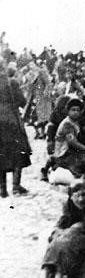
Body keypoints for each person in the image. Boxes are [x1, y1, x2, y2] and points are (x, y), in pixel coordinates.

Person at [40, 180, 85, 278]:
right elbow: (61, 223)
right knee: (56, 245)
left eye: (84, 195)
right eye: (76, 195)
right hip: (67, 238)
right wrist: (59, 232)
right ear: (71, 196)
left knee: (61, 250)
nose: (81, 199)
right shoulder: (68, 205)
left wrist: (74, 231)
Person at [0, 58, 31, 197]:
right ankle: (16, 186)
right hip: (11, 120)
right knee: (19, 152)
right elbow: (22, 101)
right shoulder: (11, 82)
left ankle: (2, 189)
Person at [54, 98, 85, 176]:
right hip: (64, 154)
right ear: (68, 111)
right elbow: (72, 142)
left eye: (78, 110)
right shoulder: (67, 124)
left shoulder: (74, 122)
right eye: (73, 110)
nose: (76, 112)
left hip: (70, 152)